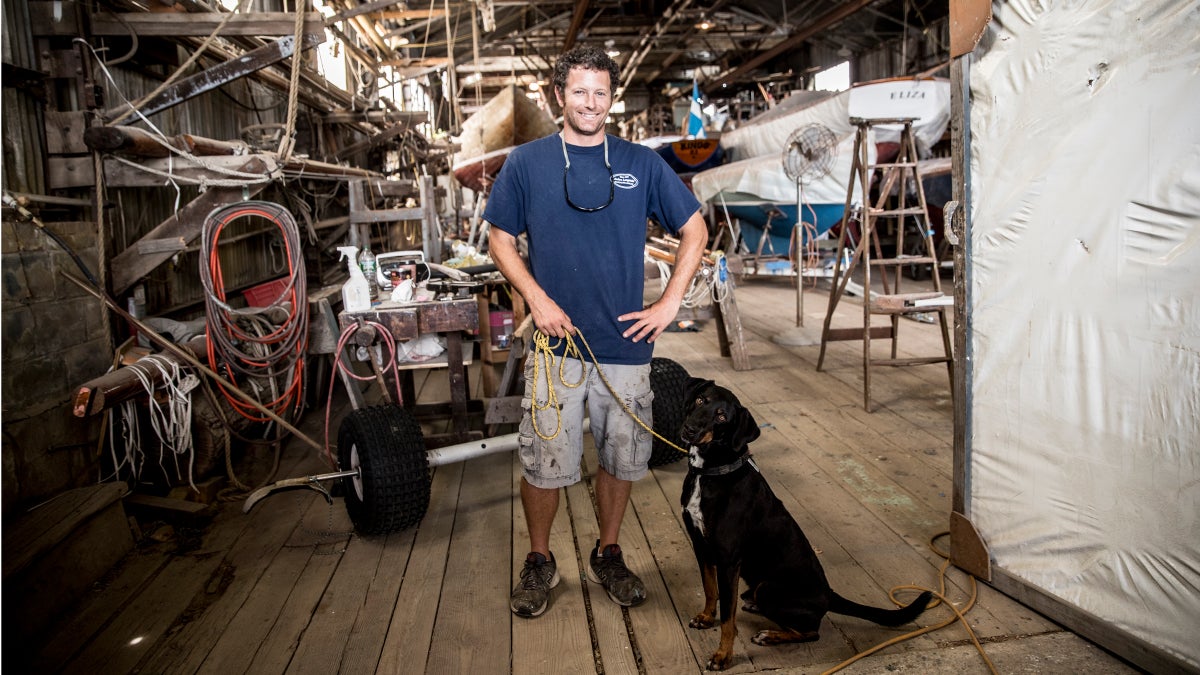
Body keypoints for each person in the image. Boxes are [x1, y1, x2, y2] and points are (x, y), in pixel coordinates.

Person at [485, 44, 708, 618]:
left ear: (613, 98)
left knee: (622, 457)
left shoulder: (642, 163)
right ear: (559, 95)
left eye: (601, 93)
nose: (590, 103)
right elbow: (499, 241)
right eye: (579, 92)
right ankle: (539, 560)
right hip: (555, 344)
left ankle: (608, 552)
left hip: (625, 345)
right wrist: (537, 299)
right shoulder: (527, 163)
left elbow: (695, 230)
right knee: (544, 460)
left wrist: (668, 304)